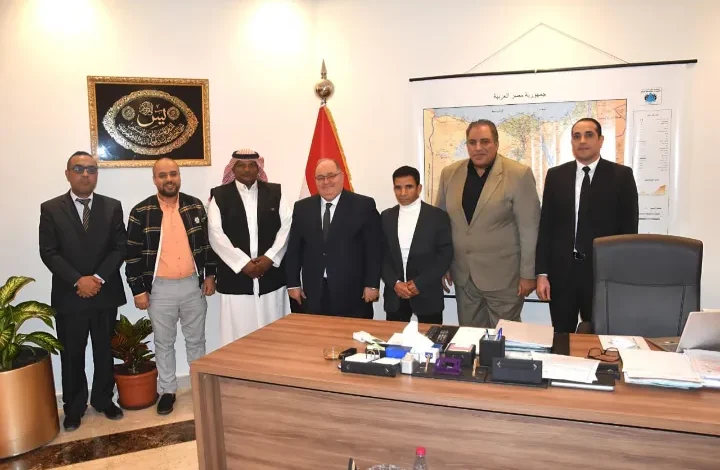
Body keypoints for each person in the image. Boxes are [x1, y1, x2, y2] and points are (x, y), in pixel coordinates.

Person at [39, 151, 126, 431]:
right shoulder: (51, 209)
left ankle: (103, 399)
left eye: (91, 169)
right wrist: (79, 280)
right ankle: (74, 408)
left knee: (104, 351)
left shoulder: (112, 206)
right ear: (68, 174)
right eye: (78, 169)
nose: (85, 174)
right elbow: (49, 252)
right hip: (70, 295)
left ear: (96, 175)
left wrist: (97, 278)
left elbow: (120, 248)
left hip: (104, 292)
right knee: (72, 355)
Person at [125, 157, 216, 415]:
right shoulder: (141, 212)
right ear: (155, 179)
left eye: (173, 174)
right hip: (160, 289)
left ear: (179, 176)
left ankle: (200, 388)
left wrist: (210, 275)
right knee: (164, 343)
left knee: (196, 340)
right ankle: (167, 390)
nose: (169, 179)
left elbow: (207, 245)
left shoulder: (194, 206)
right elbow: (132, 255)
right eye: (163, 175)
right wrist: (138, 290)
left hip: (192, 286)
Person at [535, 118, 639, 333]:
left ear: (601, 140)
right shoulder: (556, 176)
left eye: (589, 135)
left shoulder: (621, 176)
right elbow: (546, 228)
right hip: (562, 273)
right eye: (577, 136)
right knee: (561, 336)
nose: (582, 141)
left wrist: (620, 277)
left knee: (601, 336)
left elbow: (628, 232)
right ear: (572, 142)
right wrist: (542, 274)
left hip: (602, 274)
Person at [435, 119, 541, 328]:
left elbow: (530, 229)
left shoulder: (518, 174)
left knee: (504, 338)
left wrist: (528, 275)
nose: (478, 148)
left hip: (504, 278)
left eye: (485, 142)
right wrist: (442, 263)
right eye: (472, 142)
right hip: (464, 277)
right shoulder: (449, 174)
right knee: (469, 336)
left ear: (496, 143)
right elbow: (440, 224)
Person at [207, 150, 291, 345]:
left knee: (274, 336)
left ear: (258, 168)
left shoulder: (275, 193)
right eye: (241, 165)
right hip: (235, 278)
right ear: (233, 169)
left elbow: (287, 227)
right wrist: (242, 263)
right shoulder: (220, 195)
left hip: (271, 277)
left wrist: (270, 257)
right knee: (238, 337)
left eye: (252, 165)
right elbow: (216, 234)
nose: (247, 169)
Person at [285, 158, 383, 318]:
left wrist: (372, 284)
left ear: (342, 176)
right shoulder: (302, 208)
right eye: (320, 178)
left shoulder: (363, 205)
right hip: (314, 291)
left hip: (353, 291)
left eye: (331, 176)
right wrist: (293, 284)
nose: (326, 182)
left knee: (352, 332)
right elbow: (294, 249)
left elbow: (374, 249)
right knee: (316, 332)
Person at [381, 166, 453, 325]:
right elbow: (381, 255)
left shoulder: (437, 216)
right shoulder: (386, 216)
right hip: (395, 294)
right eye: (398, 187)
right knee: (395, 338)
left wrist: (419, 283)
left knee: (431, 338)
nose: (403, 193)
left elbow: (444, 255)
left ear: (419, 188)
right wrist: (395, 283)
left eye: (409, 187)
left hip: (427, 292)